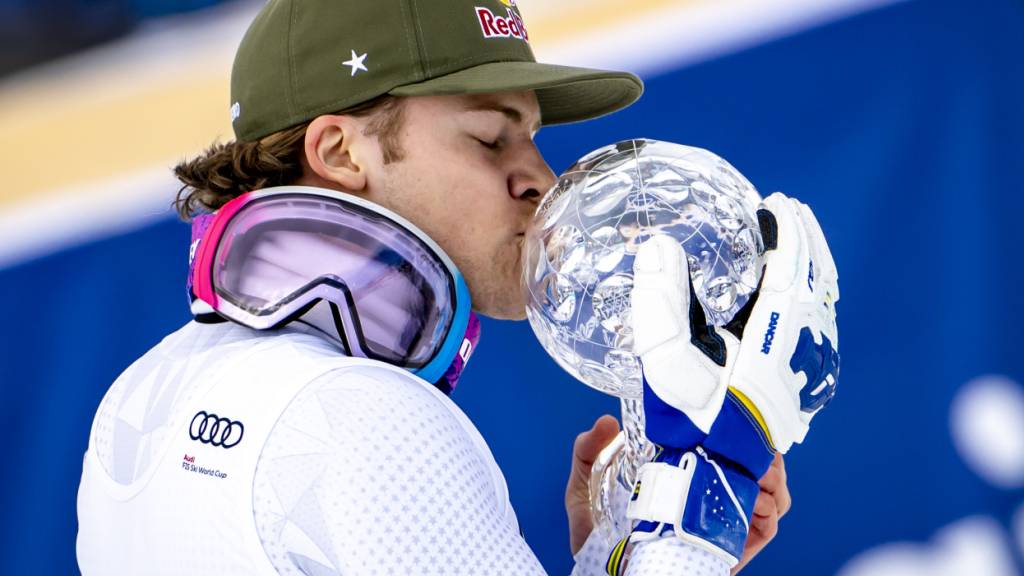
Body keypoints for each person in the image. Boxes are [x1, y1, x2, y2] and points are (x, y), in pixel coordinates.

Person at [77, 0, 839, 574]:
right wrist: (692, 519)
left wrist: (613, 554)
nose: (539, 177)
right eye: (489, 136)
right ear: (341, 151)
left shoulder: (142, 396)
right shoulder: (362, 415)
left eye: (533, 137)